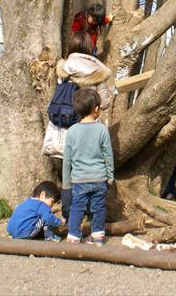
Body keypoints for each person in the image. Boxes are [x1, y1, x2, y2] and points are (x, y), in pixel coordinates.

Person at [53, 32, 113, 216]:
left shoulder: (64, 68)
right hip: (89, 128)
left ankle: (68, 210)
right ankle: (91, 211)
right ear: (89, 48)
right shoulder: (96, 69)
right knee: (88, 164)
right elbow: (104, 102)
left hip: (64, 125)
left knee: (67, 167)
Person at [62, 88, 114, 244]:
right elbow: (108, 156)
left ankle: (73, 236)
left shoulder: (71, 132)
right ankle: (98, 237)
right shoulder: (102, 130)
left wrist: (66, 183)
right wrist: (110, 176)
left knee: (77, 207)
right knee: (98, 207)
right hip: (99, 179)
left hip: (79, 180)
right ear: (96, 109)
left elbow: (67, 160)